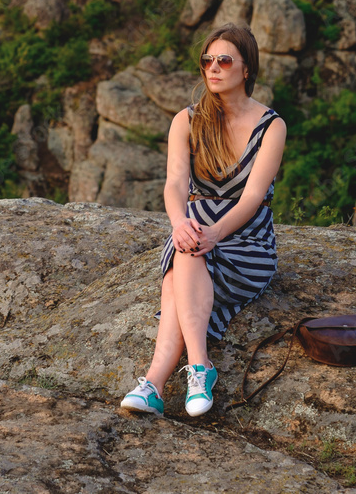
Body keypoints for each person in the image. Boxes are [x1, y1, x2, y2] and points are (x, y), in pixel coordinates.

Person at [120, 22, 287, 417]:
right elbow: (175, 184)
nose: (213, 67)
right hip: (195, 227)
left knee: (186, 266)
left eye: (224, 60)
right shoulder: (187, 120)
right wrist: (180, 222)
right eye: (207, 60)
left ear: (247, 69)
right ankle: (194, 370)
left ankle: (157, 384)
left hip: (247, 238)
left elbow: (252, 197)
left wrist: (215, 232)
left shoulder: (271, 126)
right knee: (188, 247)